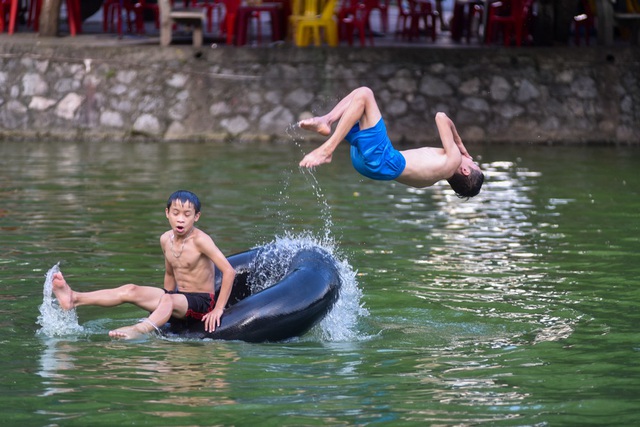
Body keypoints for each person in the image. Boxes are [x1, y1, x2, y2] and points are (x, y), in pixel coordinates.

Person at [52, 190, 236, 340]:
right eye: (176, 213)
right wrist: (164, 309)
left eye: (187, 215)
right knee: (131, 289)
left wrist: (218, 309)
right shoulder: (166, 239)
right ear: (167, 214)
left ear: (196, 217)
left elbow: (229, 271)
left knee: (168, 300)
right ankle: (74, 298)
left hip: (201, 302)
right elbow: (170, 274)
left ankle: (138, 330)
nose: (181, 219)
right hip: (178, 298)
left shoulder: (201, 241)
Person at [298, 86, 484, 198]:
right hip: (371, 167)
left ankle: (327, 149)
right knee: (358, 101)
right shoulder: (431, 178)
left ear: (465, 170)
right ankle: (326, 120)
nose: (469, 158)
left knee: (364, 94)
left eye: (472, 162)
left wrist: (460, 145)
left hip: (384, 160)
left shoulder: (452, 161)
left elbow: (441, 117)